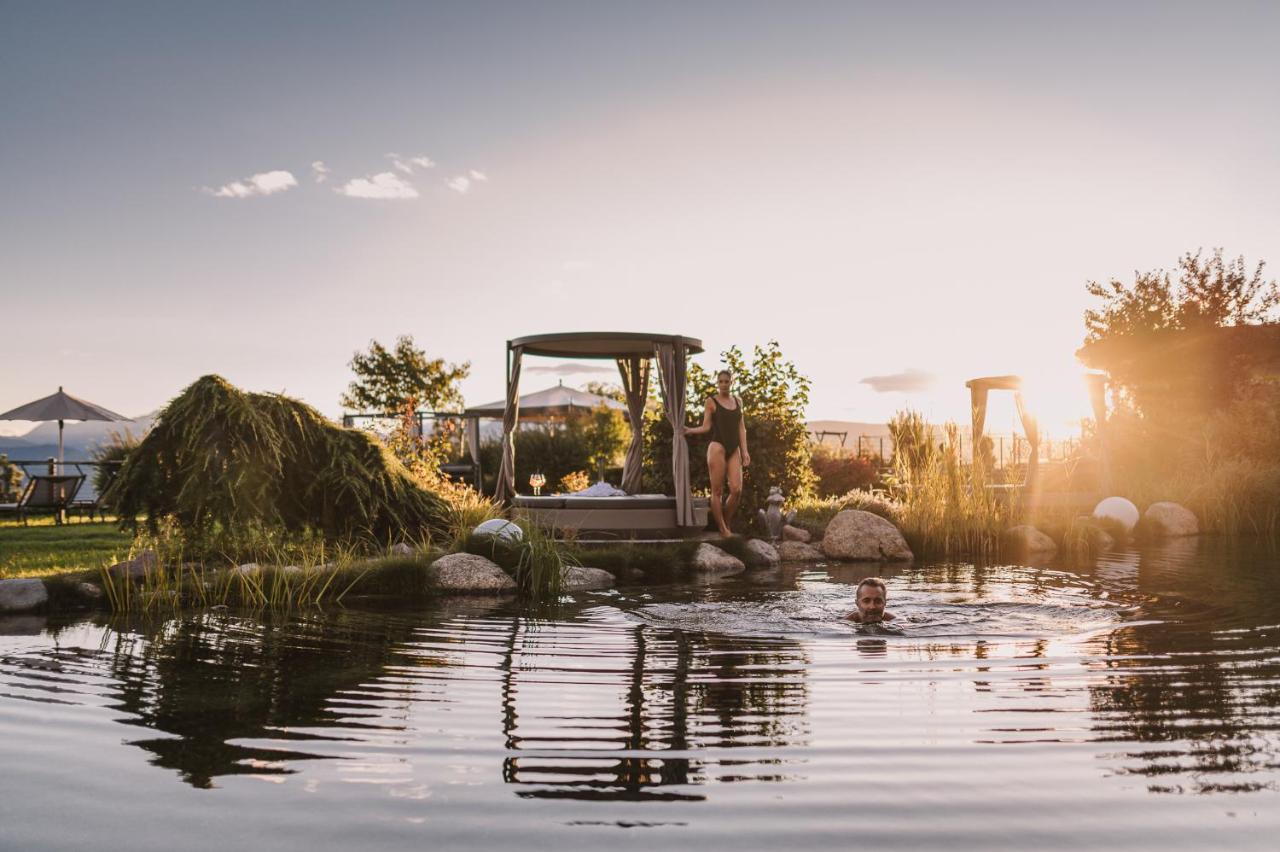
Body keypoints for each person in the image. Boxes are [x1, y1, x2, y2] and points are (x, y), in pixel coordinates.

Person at [681, 369, 750, 537]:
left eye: (727, 381)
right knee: (717, 491)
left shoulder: (738, 401)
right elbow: (706, 427)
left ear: (731, 382)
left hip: (734, 449)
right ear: (717, 383)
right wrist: (689, 430)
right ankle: (723, 529)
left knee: (736, 489)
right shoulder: (711, 402)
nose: (724, 384)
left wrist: (745, 451)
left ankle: (726, 521)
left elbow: (741, 428)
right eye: (721, 381)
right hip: (717, 447)